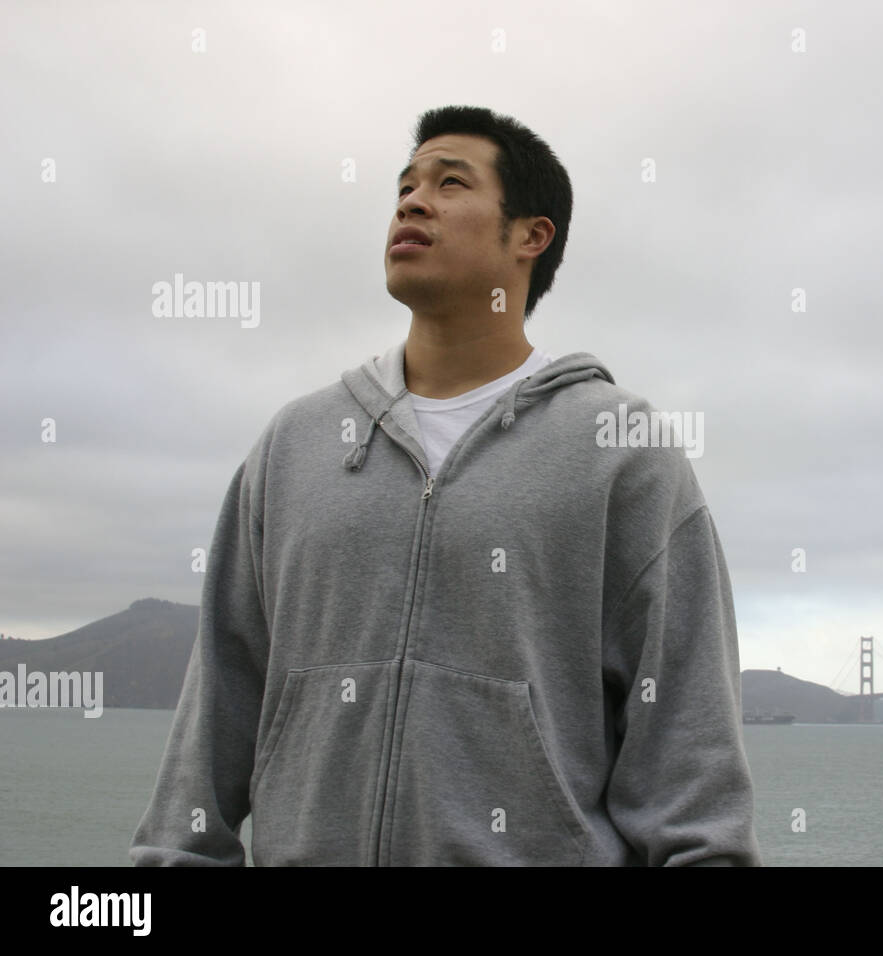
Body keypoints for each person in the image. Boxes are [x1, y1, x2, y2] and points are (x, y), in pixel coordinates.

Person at [129, 105, 761, 866]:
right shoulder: (294, 445)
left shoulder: (622, 451)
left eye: (450, 182)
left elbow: (691, 759)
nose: (412, 200)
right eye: (406, 185)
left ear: (532, 235)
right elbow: (216, 715)